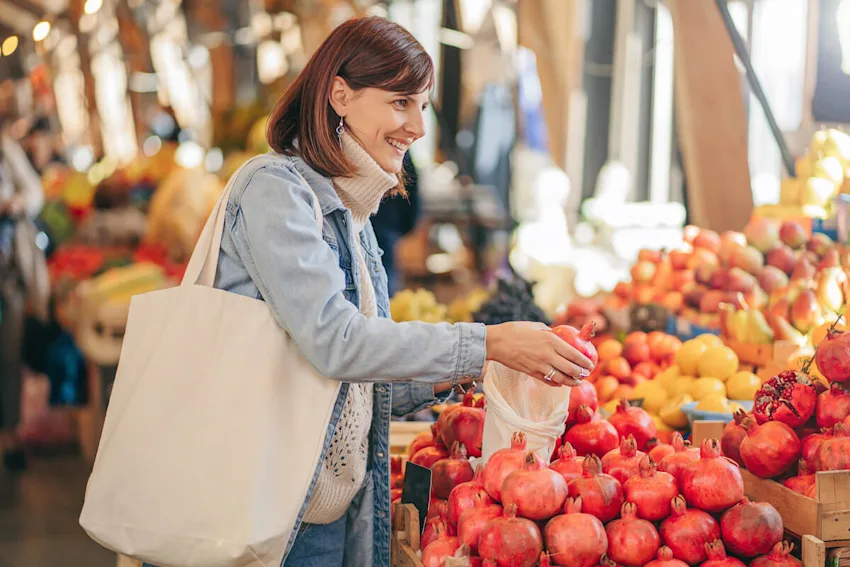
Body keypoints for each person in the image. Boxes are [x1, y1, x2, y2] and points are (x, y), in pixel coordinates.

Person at [149, 16, 593, 567]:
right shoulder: (274, 191)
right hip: (252, 519)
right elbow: (337, 343)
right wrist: (487, 343)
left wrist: (468, 373)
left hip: (321, 523)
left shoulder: (355, 218)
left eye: (424, 105)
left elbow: (353, 388)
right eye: (401, 101)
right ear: (340, 94)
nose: (417, 126)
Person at [0, 113, 46, 472]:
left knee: (9, 354)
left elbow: (34, 193)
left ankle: (10, 435)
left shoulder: (6, 151)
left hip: (8, 272)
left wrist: (14, 203)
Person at [371, 150, 420, 295]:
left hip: (383, 224)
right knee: (384, 282)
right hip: (387, 226)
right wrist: (407, 226)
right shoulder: (398, 148)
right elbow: (411, 186)